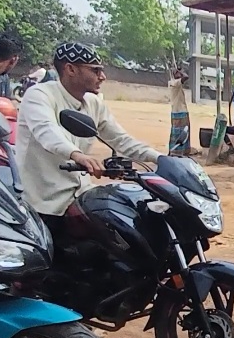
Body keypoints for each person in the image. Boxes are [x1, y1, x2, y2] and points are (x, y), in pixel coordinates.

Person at [16, 42, 162, 227]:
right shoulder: (39, 95)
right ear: (70, 69)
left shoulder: (93, 103)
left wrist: (161, 159)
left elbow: (121, 140)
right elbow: (47, 131)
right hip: (44, 202)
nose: (102, 76)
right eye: (95, 70)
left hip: (81, 194)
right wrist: (78, 156)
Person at [165, 68, 194, 156]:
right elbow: (186, 77)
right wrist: (181, 72)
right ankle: (179, 152)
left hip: (176, 111)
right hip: (180, 112)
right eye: (176, 73)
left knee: (176, 133)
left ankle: (174, 151)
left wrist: (178, 72)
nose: (179, 74)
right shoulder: (175, 83)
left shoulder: (172, 83)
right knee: (182, 133)